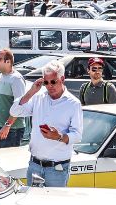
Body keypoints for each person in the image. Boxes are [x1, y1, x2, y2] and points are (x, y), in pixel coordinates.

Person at [10, 58, 83, 187]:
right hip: (35, 165)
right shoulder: (38, 97)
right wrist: (31, 91)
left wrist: (59, 137)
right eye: (46, 82)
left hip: (57, 168)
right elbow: (14, 111)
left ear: (62, 79)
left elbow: (77, 135)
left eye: (53, 81)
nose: (49, 85)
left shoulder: (73, 103)